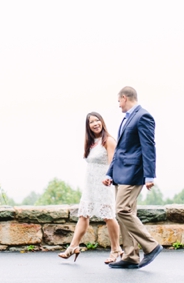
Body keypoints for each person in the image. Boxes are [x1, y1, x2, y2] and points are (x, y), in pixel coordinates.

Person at [103, 86, 163, 269]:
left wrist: (150, 175)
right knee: (126, 214)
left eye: (119, 101)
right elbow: (120, 150)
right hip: (120, 174)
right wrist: (109, 173)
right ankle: (131, 256)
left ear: (124, 98)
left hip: (133, 173)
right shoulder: (127, 119)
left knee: (122, 210)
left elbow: (149, 146)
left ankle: (151, 246)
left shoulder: (143, 116)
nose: (118, 105)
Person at [58, 112, 123, 264]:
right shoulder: (91, 141)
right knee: (83, 214)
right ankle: (73, 247)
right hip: (90, 184)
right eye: (91, 122)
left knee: (108, 216)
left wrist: (109, 178)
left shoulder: (109, 140)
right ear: (88, 126)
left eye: (97, 120)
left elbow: (113, 163)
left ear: (102, 121)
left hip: (104, 183)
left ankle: (116, 249)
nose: (95, 123)